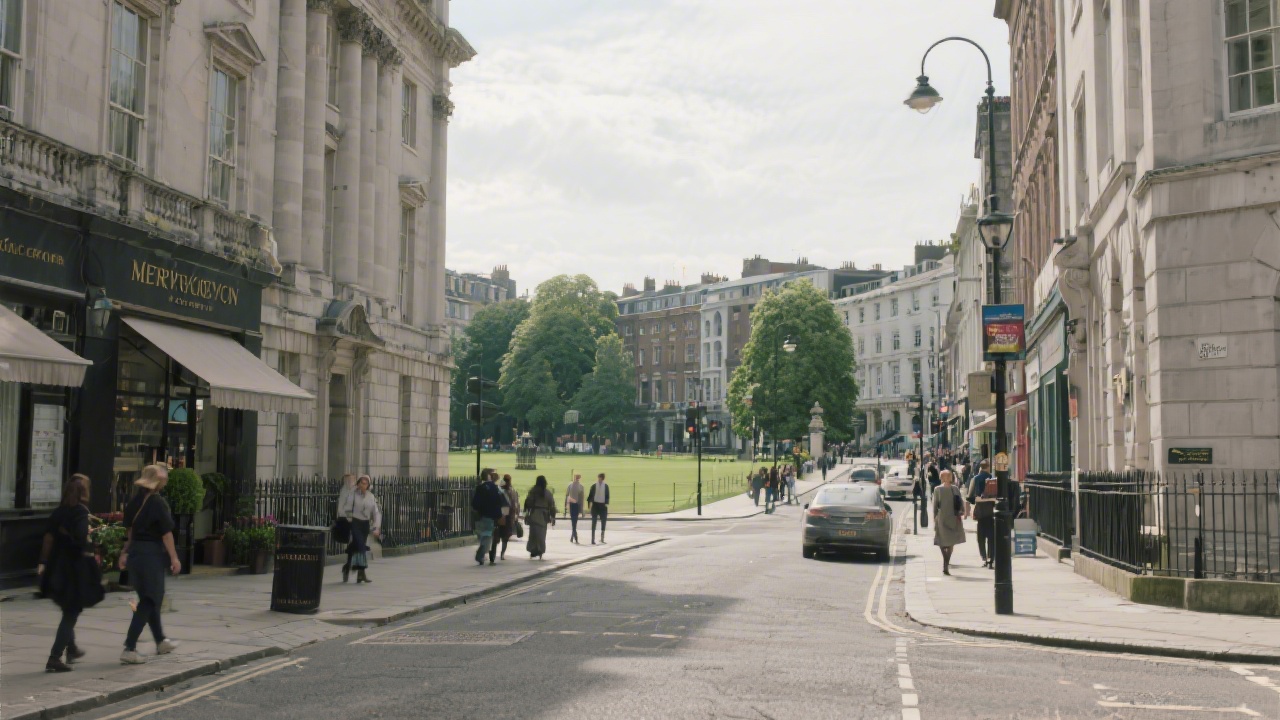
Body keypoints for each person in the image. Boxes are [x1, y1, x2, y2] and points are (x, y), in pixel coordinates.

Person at [38, 474, 103, 672]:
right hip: (74, 567)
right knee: (71, 611)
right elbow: (81, 539)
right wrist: (90, 541)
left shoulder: (59, 512)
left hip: (57, 566)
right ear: (84, 492)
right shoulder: (81, 512)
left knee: (68, 607)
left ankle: (72, 648)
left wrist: (43, 562)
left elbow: (48, 538)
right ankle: (54, 657)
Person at [118, 464, 181, 665]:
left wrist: (124, 552)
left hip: (136, 554)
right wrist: (174, 557)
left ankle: (160, 641)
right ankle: (129, 647)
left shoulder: (135, 502)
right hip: (150, 554)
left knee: (151, 597)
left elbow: (129, 532)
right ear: (157, 483)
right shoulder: (157, 503)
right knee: (149, 600)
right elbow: (166, 533)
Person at [341, 475, 382, 583]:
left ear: (368, 485)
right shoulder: (352, 495)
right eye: (361, 483)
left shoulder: (371, 496)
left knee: (356, 547)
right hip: (355, 522)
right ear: (358, 484)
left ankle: (348, 567)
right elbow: (347, 508)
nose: (363, 485)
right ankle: (361, 573)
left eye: (365, 483)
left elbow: (376, 512)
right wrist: (350, 520)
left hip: (365, 524)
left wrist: (376, 527)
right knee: (360, 546)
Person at [931, 469, 967, 575]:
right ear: (942, 478)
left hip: (949, 517)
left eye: (950, 476)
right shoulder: (940, 489)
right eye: (947, 476)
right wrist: (934, 518)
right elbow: (935, 505)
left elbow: (959, 501)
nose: (949, 477)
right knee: (946, 541)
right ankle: (946, 562)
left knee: (947, 541)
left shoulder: (953, 488)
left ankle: (946, 562)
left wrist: (963, 512)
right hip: (946, 517)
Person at [471, 469, 508, 565]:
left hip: (481, 515)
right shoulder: (495, 488)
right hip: (491, 516)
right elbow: (501, 502)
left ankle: (482, 555)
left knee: (483, 535)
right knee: (488, 536)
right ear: (489, 476)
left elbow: (475, 503)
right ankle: (481, 555)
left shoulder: (479, 488)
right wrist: (500, 515)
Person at [966, 459, 996, 568]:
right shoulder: (993, 479)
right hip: (991, 511)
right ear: (988, 467)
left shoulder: (976, 478)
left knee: (981, 537)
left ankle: (984, 557)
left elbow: (969, 496)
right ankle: (990, 558)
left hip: (980, 511)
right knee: (991, 537)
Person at [523, 475, 556, 558]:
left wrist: (527, 512)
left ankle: (533, 550)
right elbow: (552, 505)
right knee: (541, 534)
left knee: (533, 534)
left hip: (534, 514)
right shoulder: (547, 493)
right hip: (544, 515)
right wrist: (553, 517)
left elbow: (528, 502)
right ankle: (540, 550)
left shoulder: (533, 491)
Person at [490, 475, 520, 563]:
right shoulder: (511, 491)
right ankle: (501, 554)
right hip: (507, 517)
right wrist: (516, 515)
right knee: (504, 537)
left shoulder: (499, 490)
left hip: (500, 516)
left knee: (497, 536)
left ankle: (494, 554)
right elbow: (515, 504)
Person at [588, 473, 610, 544]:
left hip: (602, 506)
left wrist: (606, 504)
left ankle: (602, 538)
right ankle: (592, 539)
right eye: (599, 478)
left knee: (603, 522)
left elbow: (607, 496)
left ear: (603, 478)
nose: (599, 479)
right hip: (595, 505)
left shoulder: (606, 486)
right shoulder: (594, 486)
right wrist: (589, 505)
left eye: (601, 478)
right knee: (594, 522)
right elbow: (590, 496)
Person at [564, 474, 585, 543]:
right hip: (572, 505)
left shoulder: (580, 487)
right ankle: (575, 537)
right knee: (574, 522)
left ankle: (573, 537)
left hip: (576, 505)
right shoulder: (572, 486)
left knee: (574, 522)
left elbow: (581, 499)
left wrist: (582, 510)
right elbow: (567, 496)